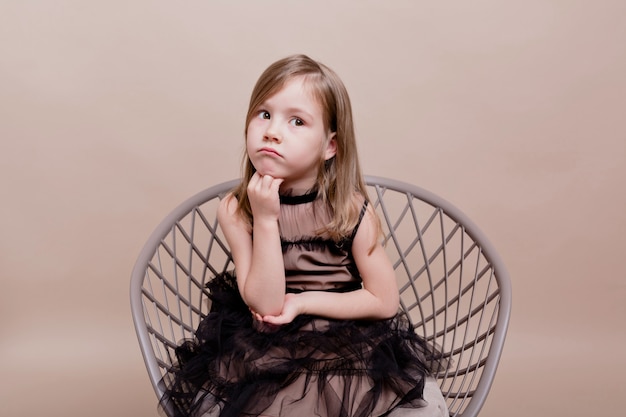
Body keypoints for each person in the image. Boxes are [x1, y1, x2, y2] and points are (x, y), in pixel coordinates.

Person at [160, 54, 448, 417]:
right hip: (268, 350)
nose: (272, 131)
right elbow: (266, 305)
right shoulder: (237, 211)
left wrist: (304, 302)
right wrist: (266, 220)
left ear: (330, 146)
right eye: (264, 114)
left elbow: (384, 300)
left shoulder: (350, 209)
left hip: (347, 347)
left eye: (297, 121)